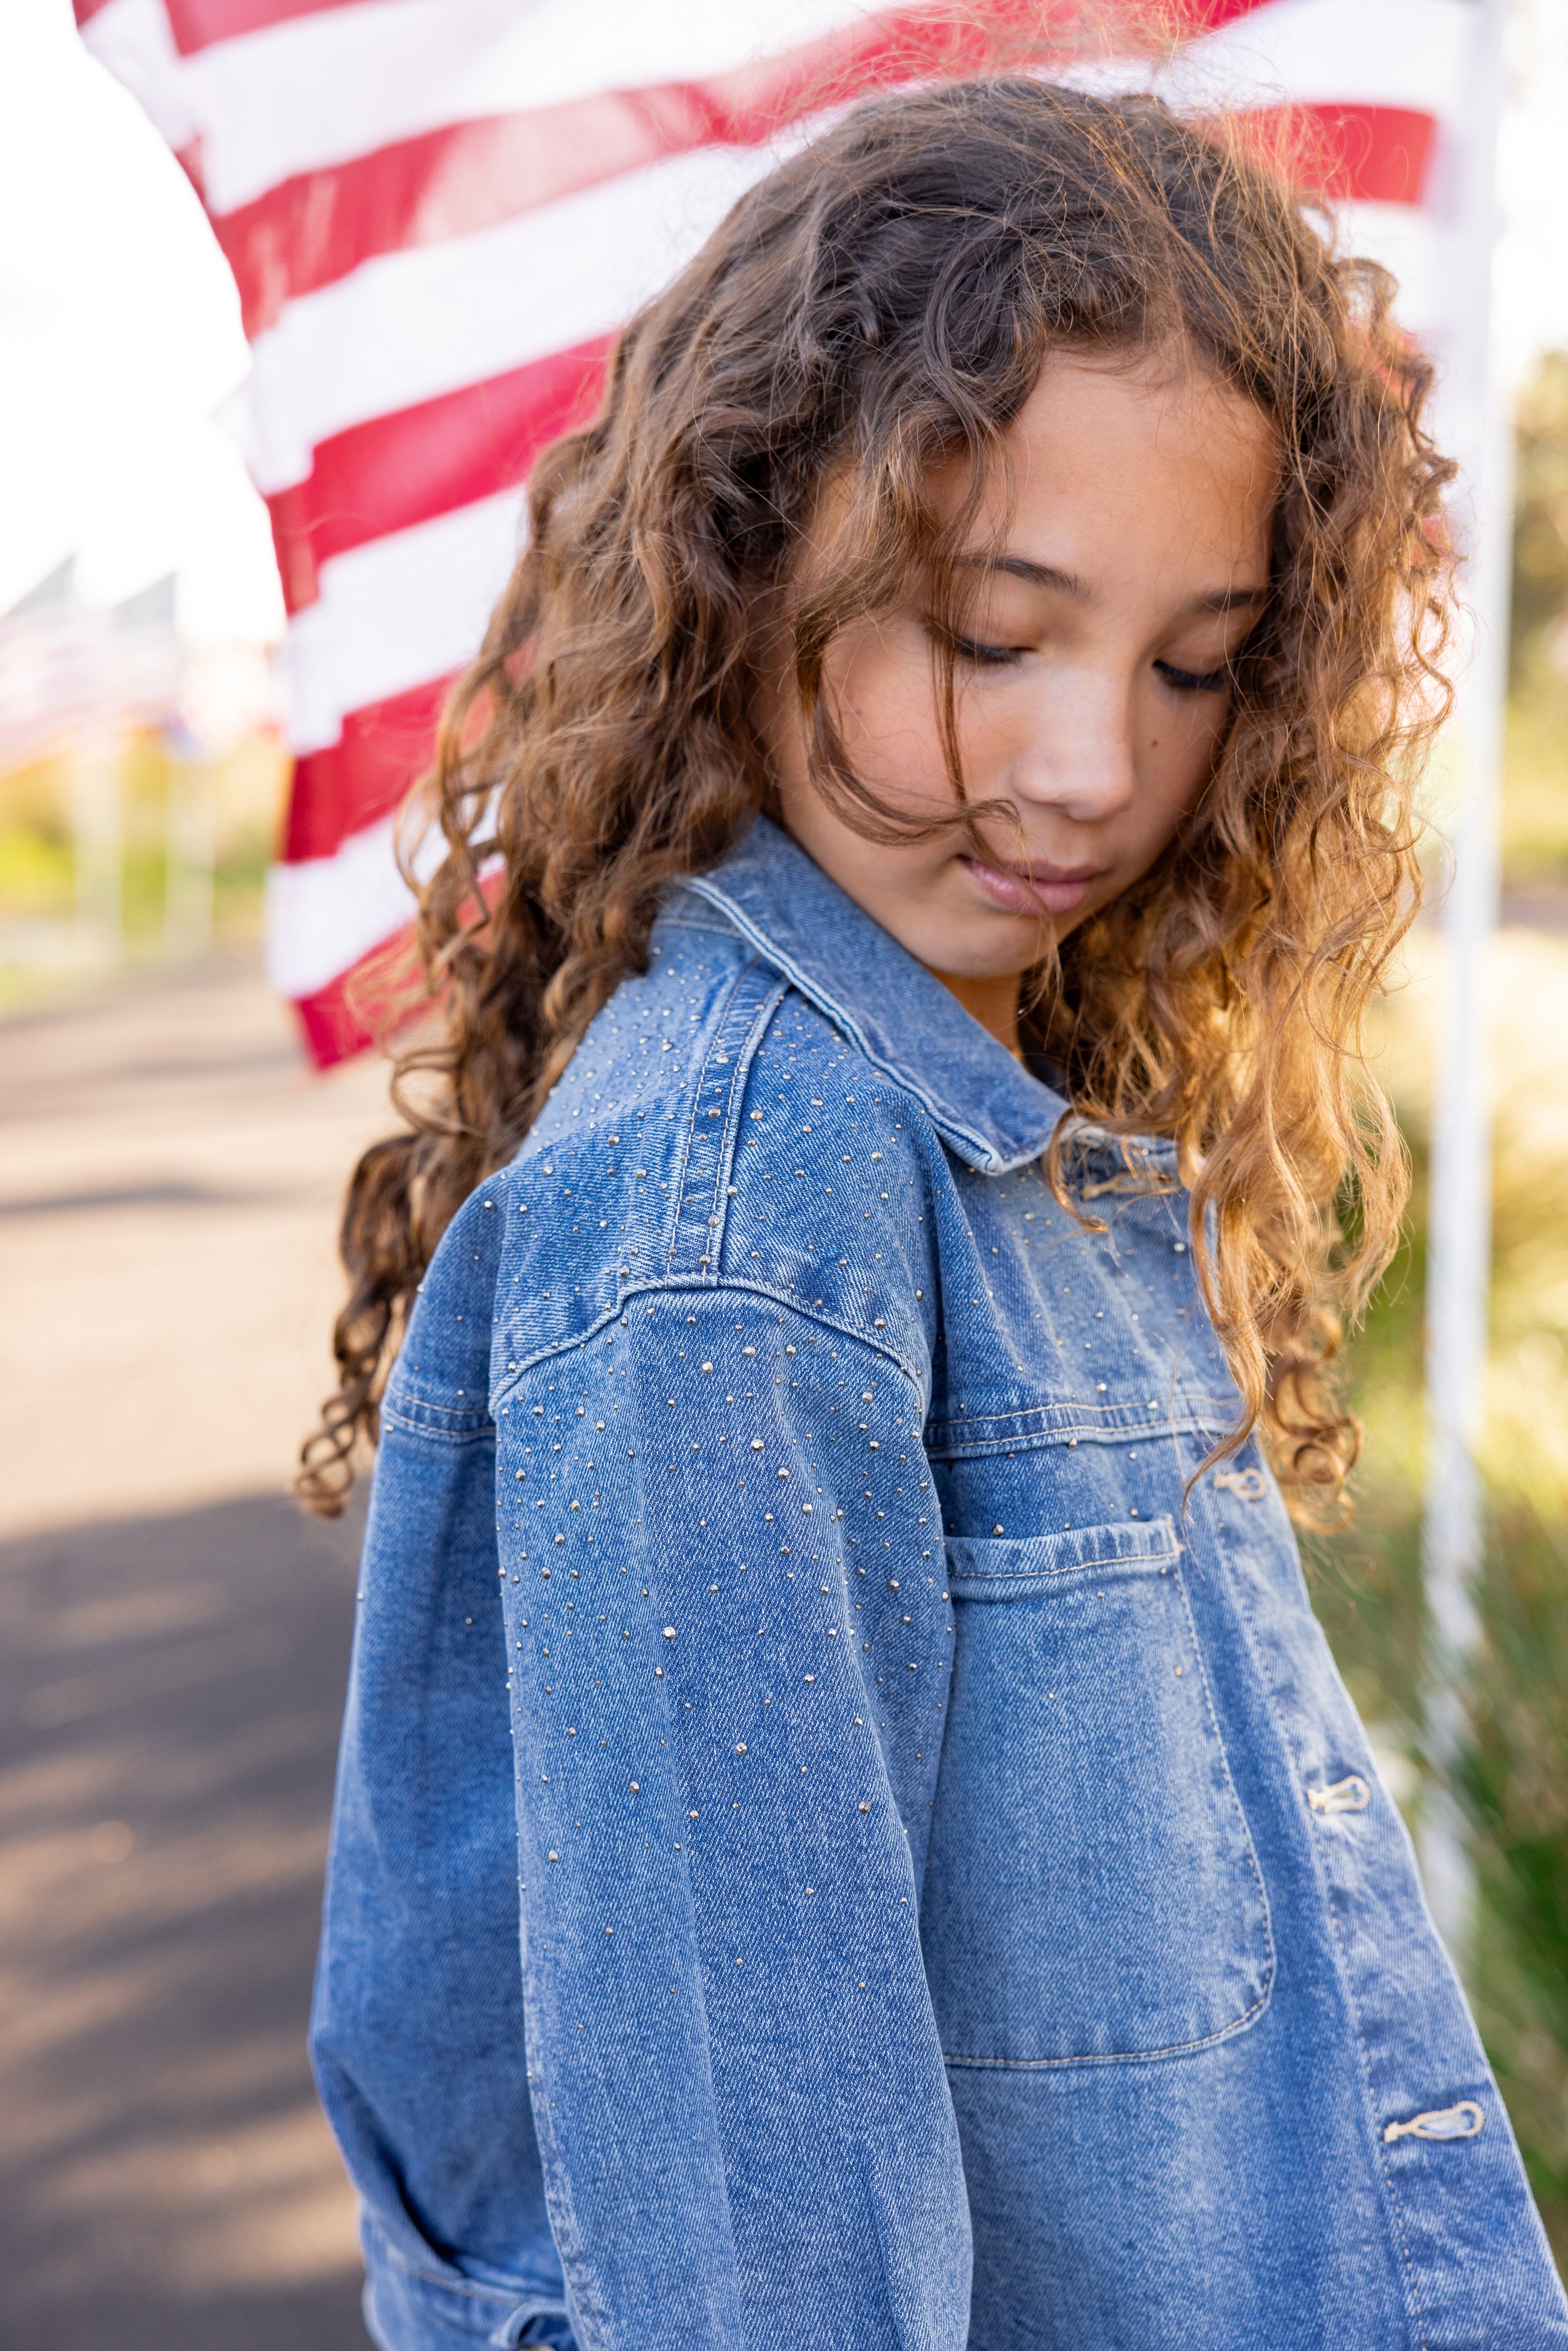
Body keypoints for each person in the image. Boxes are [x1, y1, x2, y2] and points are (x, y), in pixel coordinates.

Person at [301, 77, 1568, 2351]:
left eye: (1194, 664)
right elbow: (755, 2276)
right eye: (993, 633)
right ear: (741, 566)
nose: (1095, 766)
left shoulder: (968, 1118)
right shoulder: (734, 1243)